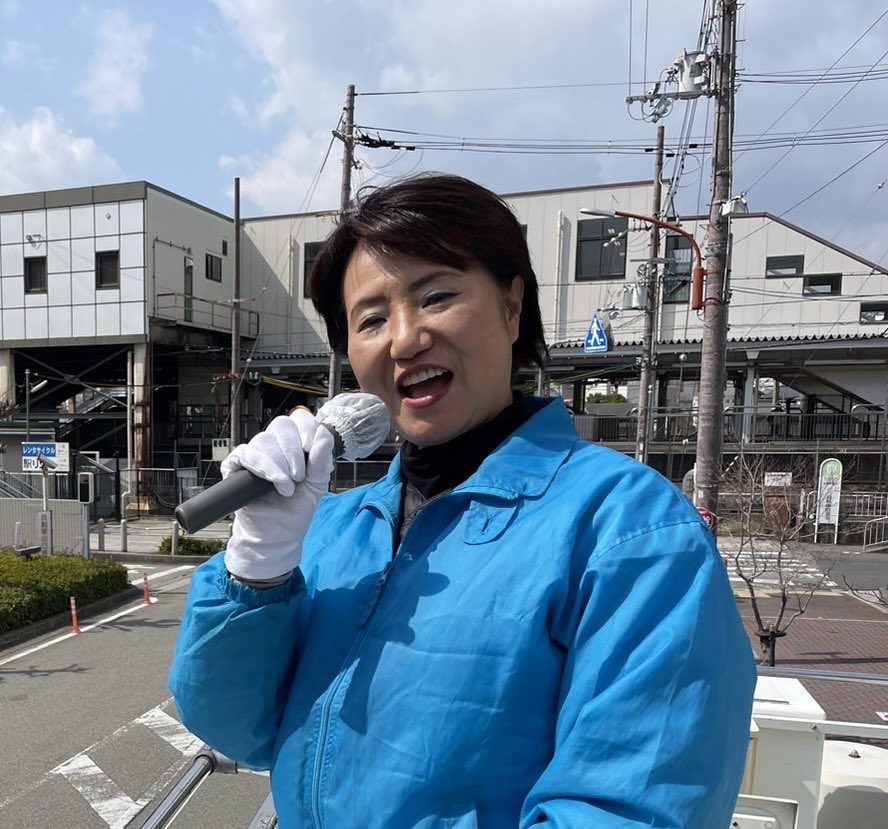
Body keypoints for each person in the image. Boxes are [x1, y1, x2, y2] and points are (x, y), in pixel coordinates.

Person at [169, 173, 756, 828]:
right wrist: (258, 566)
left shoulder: (630, 527)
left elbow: (631, 808)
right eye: (370, 319)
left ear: (511, 307)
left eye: (436, 296)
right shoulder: (328, 525)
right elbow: (240, 728)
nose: (404, 338)